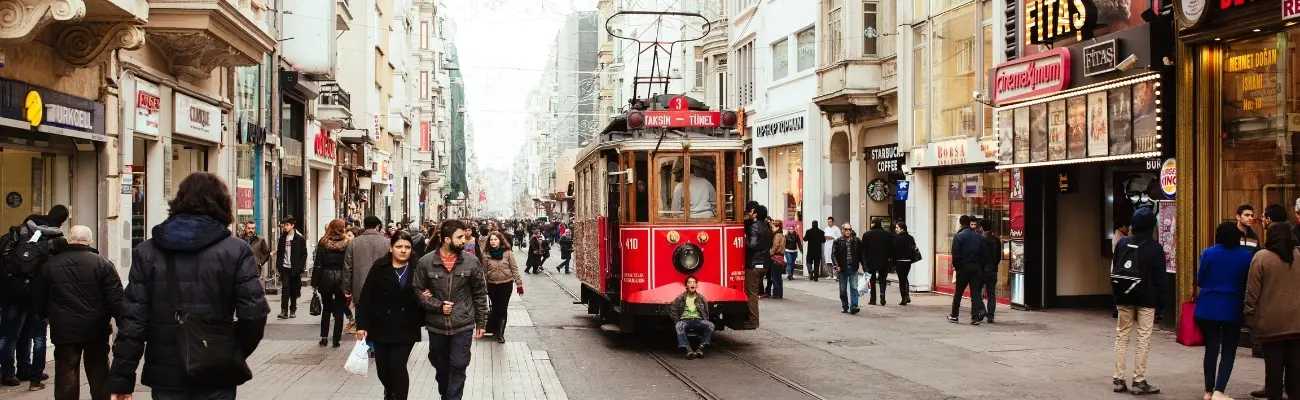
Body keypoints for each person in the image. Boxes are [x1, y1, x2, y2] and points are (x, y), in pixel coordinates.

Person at [109, 172, 270, 400]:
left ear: (179, 201)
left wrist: (122, 379)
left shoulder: (147, 252)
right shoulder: (236, 250)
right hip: (216, 372)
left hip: (166, 373)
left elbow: (133, 321)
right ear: (223, 204)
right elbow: (254, 315)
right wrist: (228, 350)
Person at [32, 225, 123, 399]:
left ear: (69, 240)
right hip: (95, 328)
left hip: (63, 328)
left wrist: (45, 315)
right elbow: (116, 299)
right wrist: (121, 321)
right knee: (99, 372)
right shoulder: (102, 263)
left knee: (66, 372)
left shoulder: (51, 264)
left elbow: (38, 296)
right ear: (90, 241)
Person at [412, 219, 489, 400]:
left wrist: (482, 322)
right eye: (460, 237)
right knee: (440, 365)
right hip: (436, 325)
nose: (464, 240)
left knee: (459, 364)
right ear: (447, 239)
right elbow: (417, 290)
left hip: (463, 323)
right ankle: (446, 394)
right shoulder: (426, 262)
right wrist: (437, 306)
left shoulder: (471, 262)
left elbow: (479, 292)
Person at [0, 206, 67, 389]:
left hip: (15, 291)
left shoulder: (19, 232)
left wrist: (13, 279)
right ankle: (32, 375)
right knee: (35, 334)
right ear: (63, 221)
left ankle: (7, 372)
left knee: (9, 334)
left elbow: (4, 257)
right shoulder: (56, 238)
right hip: (39, 292)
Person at [355, 232, 424, 400]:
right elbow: (366, 297)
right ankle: (390, 390)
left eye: (407, 247)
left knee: (398, 365)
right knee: (383, 369)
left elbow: (427, 290)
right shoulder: (380, 267)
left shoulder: (417, 268)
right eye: (399, 247)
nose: (403, 250)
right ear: (391, 248)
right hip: (382, 325)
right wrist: (362, 325)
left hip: (407, 325)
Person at [1195, 222, 1254, 400]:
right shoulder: (1247, 256)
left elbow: (1200, 280)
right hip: (1232, 307)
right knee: (1229, 350)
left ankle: (1208, 390)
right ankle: (1220, 390)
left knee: (1211, 349)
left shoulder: (1208, 253)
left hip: (1208, 306)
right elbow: (1248, 283)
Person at [1111, 207, 1165, 395]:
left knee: (1122, 335)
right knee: (1143, 338)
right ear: (1152, 226)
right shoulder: (1155, 248)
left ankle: (1118, 379)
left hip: (1124, 295)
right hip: (1147, 298)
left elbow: (1116, 267)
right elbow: (1160, 279)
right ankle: (1138, 380)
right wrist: (1161, 304)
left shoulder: (1122, 243)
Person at [1245, 221, 1300, 400]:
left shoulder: (1261, 257)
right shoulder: (1298, 255)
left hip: (1270, 324)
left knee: (1273, 370)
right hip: (1297, 322)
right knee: (1295, 370)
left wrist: (1249, 314)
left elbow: (1252, 291)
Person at [312, 219, 351, 348]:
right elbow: (349, 264)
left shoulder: (323, 242)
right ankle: (336, 340)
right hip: (341, 278)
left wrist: (315, 282)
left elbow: (318, 264)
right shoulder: (347, 242)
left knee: (327, 308)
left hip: (325, 278)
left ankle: (324, 337)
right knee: (339, 309)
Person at [483, 231, 523, 343]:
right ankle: (495, 330)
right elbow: (484, 271)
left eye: (495, 239)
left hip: (506, 284)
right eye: (491, 240)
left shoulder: (508, 253)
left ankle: (500, 334)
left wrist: (519, 284)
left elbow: (514, 269)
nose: (493, 242)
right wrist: (484, 286)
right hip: (492, 284)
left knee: (502, 308)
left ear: (500, 240)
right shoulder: (486, 254)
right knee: (495, 308)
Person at [948, 215, 986, 325]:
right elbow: (984, 254)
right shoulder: (979, 236)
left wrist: (957, 267)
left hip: (963, 268)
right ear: (969, 223)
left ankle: (954, 315)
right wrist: (980, 267)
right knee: (975, 294)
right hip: (976, 268)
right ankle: (975, 317)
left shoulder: (959, 236)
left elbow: (955, 254)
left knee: (958, 293)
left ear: (960, 223)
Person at [670, 276, 714, 359]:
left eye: (694, 282)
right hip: (685, 320)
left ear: (697, 285)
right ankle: (688, 349)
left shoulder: (701, 298)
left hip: (698, 320)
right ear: (686, 286)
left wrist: (705, 320)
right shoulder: (680, 298)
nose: (692, 284)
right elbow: (673, 310)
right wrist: (677, 321)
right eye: (689, 282)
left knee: (710, 325)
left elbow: (706, 311)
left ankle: (700, 348)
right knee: (679, 326)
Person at [744, 204, 772, 328]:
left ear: (756, 215)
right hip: (764, 264)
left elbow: (752, 245)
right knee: (754, 292)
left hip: (754, 264)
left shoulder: (754, 227)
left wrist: (745, 240)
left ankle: (753, 320)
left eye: (753, 212)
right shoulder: (766, 227)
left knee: (752, 293)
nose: (751, 213)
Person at [276, 217, 306, 319]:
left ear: (292, 225)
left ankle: (293, 309)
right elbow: (280, 253)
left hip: (295, 268)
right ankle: (284, 311)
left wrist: (300, 267)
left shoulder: (299, 239)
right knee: (285, 289)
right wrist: (279, 265)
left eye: (287, 225)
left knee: (294, 290)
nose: (285, 227)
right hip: (285, 267)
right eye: (284, 225)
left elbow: (304, 254)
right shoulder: (282, 238)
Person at [861, 219, 894, 306]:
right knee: (883, 279)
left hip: (871, 261)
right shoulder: (888, 234)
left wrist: (864, 262)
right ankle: (882, 293)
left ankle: (873, 299)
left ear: (874, 224)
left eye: (871, 223)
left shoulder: (867, 235)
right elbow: (891, 249)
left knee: (872, 280)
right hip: (884, 260)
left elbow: (863, 250)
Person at [831, 223, 863, 314]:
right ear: (842, 230)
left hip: (853, 267)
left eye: (849, 230)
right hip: (842, 268)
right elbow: (833, 255)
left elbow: (861, 254)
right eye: (846, 229)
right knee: (843, 289)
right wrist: (836, 265)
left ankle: (854, 306)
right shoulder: (837, 241)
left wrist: (864, 265)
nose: (848, 231)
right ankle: (845, 306)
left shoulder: (856, 241)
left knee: (854, 287)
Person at [979, 219, 1002, 323]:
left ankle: (982, 310)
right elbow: (998, 257)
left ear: (982, 228)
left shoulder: (980, 239)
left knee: (977, 292)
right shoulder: (996, 240)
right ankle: (991, 316)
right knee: (991, 293)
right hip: (993, 270)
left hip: (982, 270)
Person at [891, 222, 918, 305]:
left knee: (901, 279)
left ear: (902, 229)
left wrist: (892, 262)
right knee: (905, 278)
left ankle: (904, 298)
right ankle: (907, 295)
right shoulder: (910, 238)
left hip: (899, 261)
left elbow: (894, 251)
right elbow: (914, 249)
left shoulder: (896, 238)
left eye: (897, 228)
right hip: (908, 261)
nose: (895, 229)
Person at [766, 220, 786, 299]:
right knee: (778, 277)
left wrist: (770, 253)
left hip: (776, 258)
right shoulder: (782, 235)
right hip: (780, 258)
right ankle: (779, 293)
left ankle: (776, 293)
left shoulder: (777, 235)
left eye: (773, 227)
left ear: (777, 227)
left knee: (774, 277)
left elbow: (775, 245)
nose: (772, 229)